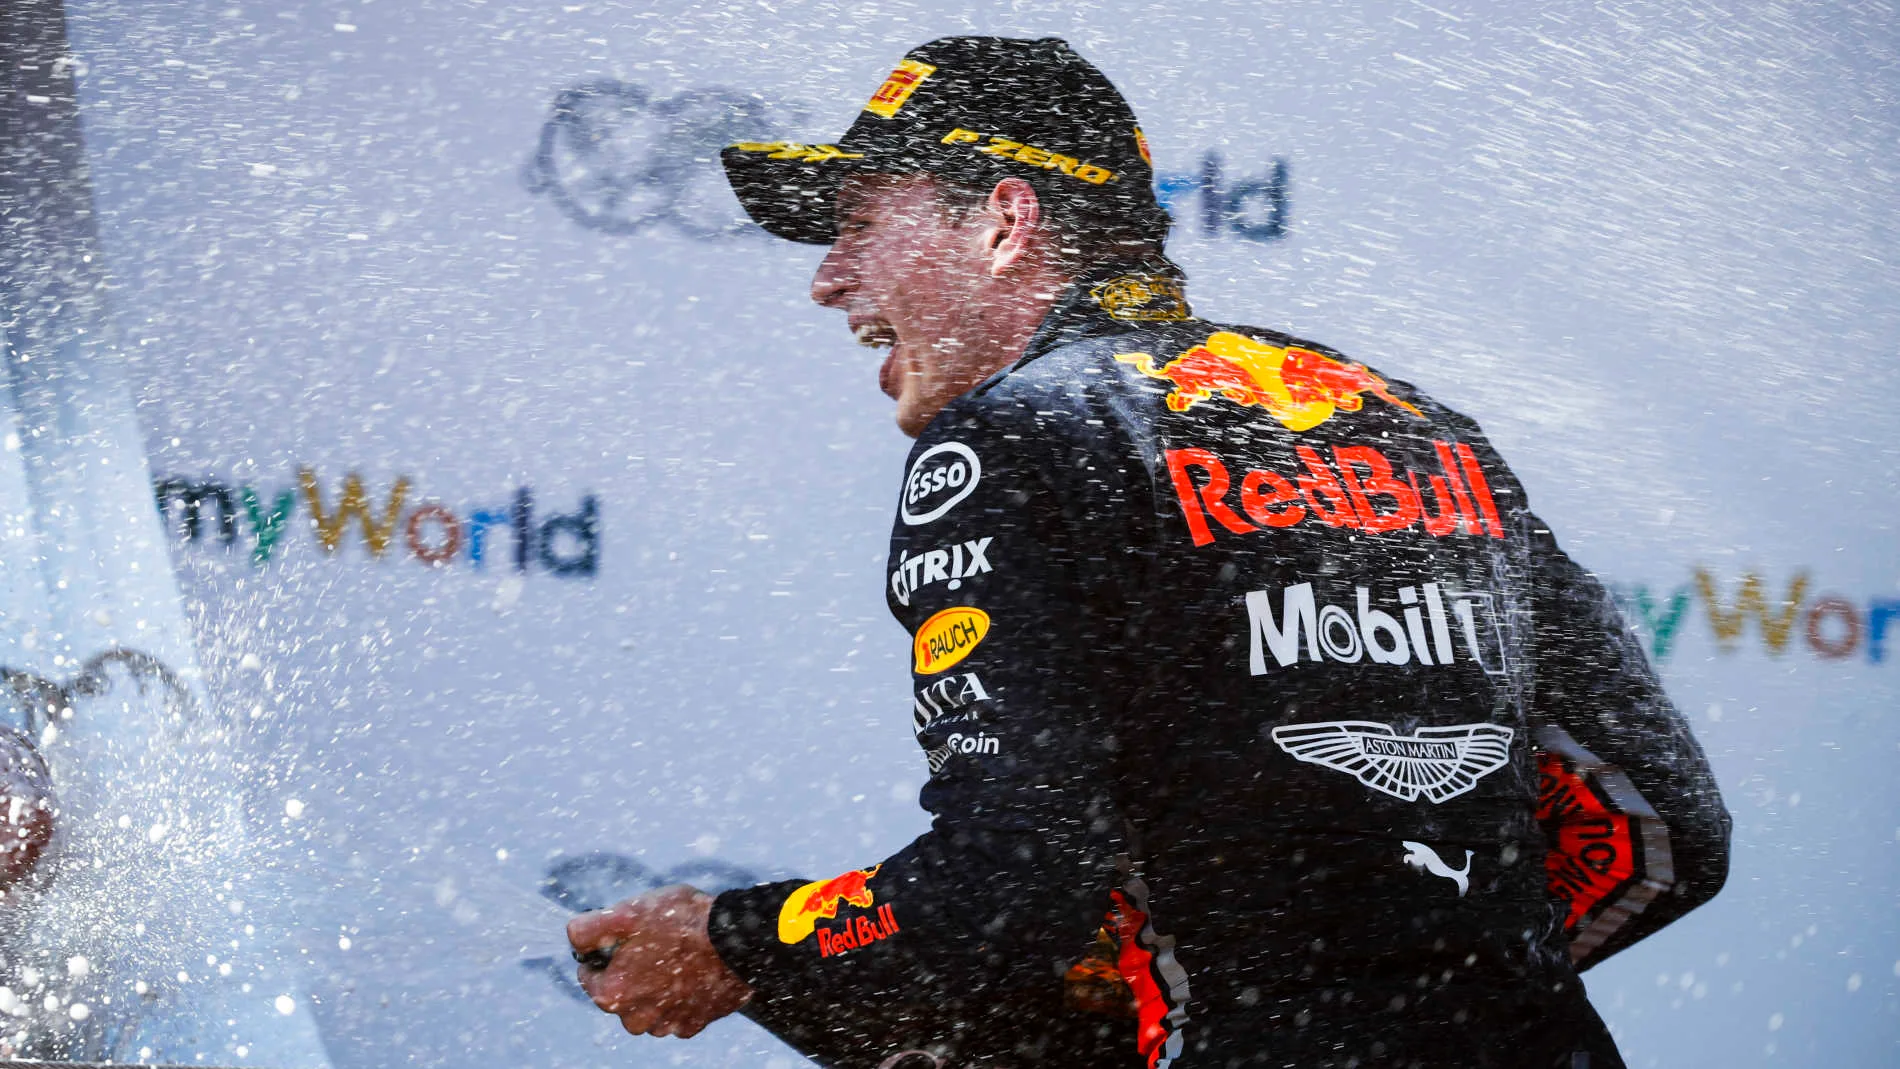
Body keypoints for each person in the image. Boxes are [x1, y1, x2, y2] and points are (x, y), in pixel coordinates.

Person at [567, 36, 1732, 1069]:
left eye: (862, 222)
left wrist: (731, 939)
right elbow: (1667, 831)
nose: (828, 278)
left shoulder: (1016, 436)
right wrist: (1415, 988)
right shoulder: (1403, 416)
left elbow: (1012, 879)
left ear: (1002, 221)